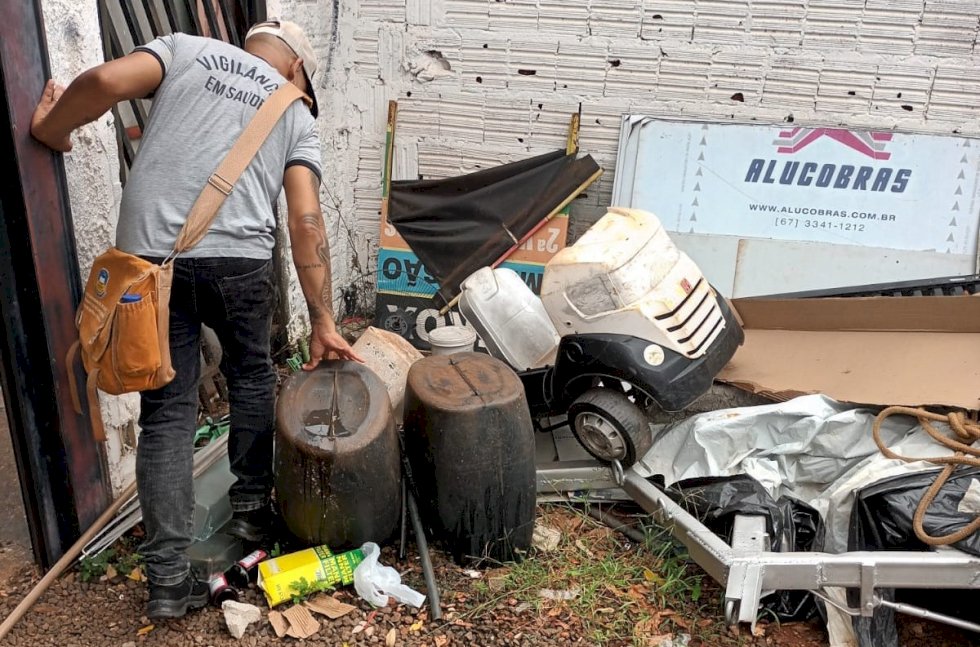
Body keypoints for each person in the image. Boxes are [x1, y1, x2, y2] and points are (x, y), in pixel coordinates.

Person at [31, 20, 363, 619]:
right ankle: (252, 511)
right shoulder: (294, 108)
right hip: (240, 262)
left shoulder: (183, 51)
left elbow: (104, 81)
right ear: (297, 69)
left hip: (149, 265)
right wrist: (322, 320)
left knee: (167, 410)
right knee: (252, 376)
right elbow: (305, 220)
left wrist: (50, 130)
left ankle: (166, 579)